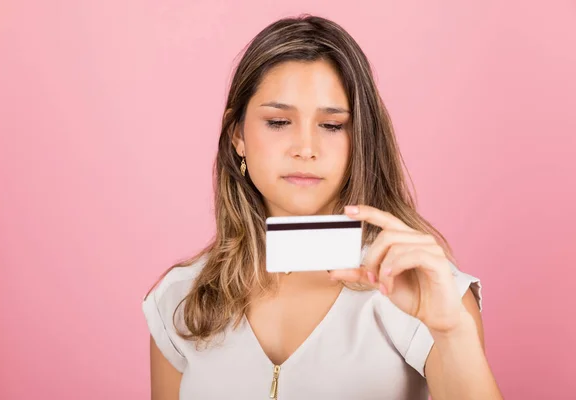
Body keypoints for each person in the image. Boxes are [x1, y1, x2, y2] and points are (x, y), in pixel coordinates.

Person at [142, 14, 503, 400]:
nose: (306, 148)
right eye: (279, 122)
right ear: (237, 135)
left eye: (332, 126)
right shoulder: (180, 298)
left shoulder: (426, 288)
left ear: (360, 139)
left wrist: (452, 331)